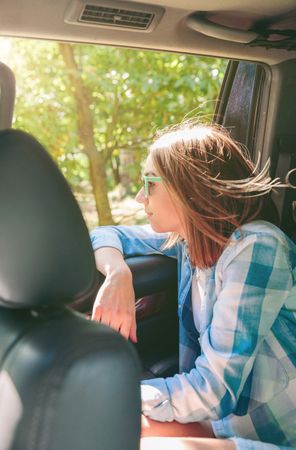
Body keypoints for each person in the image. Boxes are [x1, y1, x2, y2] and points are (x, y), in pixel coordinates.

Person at [90, 122, 296, 450]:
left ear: (190, 187)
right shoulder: (188, 239)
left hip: (274, 432)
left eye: (149, 183)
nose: (141, 196)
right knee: (102, 430)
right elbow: (105, 234)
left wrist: (120, 396)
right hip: (226, 423)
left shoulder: (257, 247)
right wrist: (118, 275)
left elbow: (216, 390)